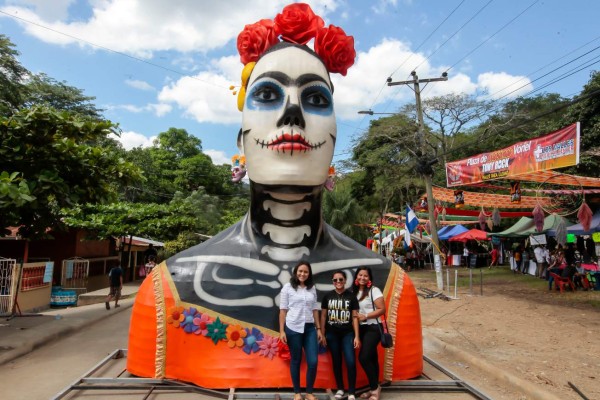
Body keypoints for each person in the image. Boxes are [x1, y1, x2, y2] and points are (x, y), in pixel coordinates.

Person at [279, 261, 323, 400]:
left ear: (309, 274)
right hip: (293, 328)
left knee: (313, 361)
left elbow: (315, 309)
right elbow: (283, 310)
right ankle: (297, 393)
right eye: (300, 271)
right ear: (295, 272)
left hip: (310, 328)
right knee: (296, 360)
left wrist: (319, 329)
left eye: (305, 272)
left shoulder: (312, 288)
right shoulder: (287, 288)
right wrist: (282, 331)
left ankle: (309, 392)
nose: (302, 274)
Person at [320, 270, 360, 400]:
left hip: (347, 334)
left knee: (350, 361)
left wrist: (357, 336)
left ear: (345, 281)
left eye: (340, 279)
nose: (338, 282)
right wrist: (322, 333)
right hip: (332, 334)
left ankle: (352, 392)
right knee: (336, 362)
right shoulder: (327, 296)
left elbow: (355, 317)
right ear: (332, 282)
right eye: (335, 280)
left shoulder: (351, 297)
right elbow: (324, 315)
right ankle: (340, 388)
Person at [353, 267, 385, 400]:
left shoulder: (374, 290)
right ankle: (375, 387)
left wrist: (365, 316)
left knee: (364, 357)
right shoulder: (354, 292)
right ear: (356, 277)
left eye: (365, 276)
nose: (362, 278)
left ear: (369, 278)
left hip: (373, 328)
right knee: (372, 358)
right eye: (360, 275)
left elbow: (382, 309)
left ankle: (374, 389)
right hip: (361, 329)